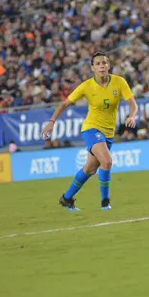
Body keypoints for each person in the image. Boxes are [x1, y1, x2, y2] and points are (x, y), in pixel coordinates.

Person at [41, 52, 137, 211]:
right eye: (98, 63)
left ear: (109, 66)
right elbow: (65, 104)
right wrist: (51, 122)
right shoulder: (86, 86)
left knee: (90, 169)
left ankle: (66, 198)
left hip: (108, 132)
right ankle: (105, 202)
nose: (102, 66)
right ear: (93, 68)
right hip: (91, 128)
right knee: (106, 161)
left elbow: (133, 104)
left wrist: (132, 116)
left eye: (105, 63)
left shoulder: (119, 82)